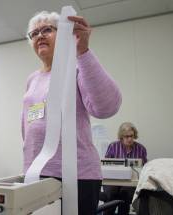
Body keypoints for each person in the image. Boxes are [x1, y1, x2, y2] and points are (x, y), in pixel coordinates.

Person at [21, 11, 122, 215]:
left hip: (76, 174)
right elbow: (28, 126)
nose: (40, 35)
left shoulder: (77, 67)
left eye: (47, 29)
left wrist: (83, 50)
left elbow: (106, 107)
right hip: (36, 172)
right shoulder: (32, 79)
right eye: (34, 33)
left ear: (66, 34)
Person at [103, 122, 147, 215]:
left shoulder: (141, 149)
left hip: (131, 181)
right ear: (121, 136)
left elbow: (144, 167)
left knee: (125, 194)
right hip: (113, 180)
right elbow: (105, 165)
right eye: (127, 136)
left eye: (131, 136)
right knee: (111, 193)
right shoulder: (113, 146)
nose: (130, 139)